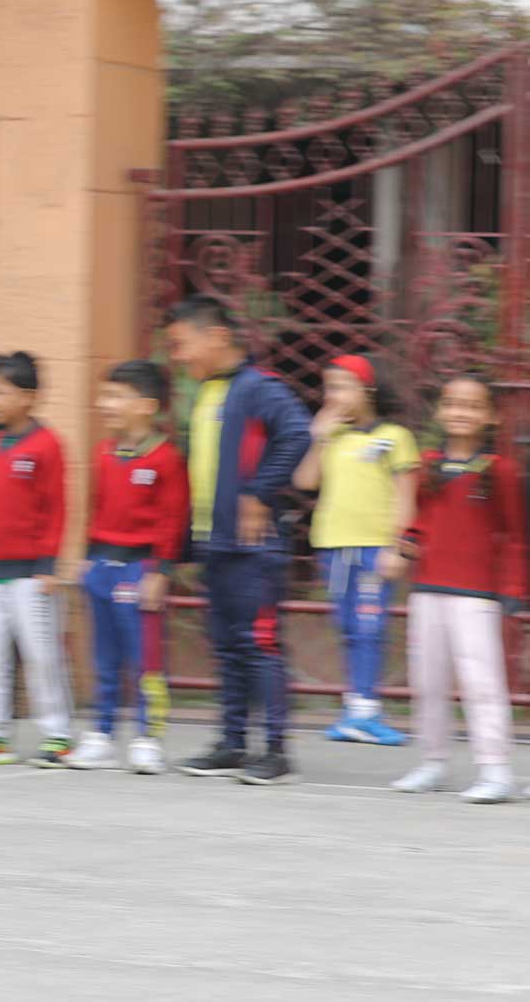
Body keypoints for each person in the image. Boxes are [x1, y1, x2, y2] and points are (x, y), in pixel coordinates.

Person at [162, 295, 311, 785]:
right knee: (226, 646)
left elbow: (297, 434)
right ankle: (232, 742)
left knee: (259, 644)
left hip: (254, 546)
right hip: (216, 543)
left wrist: (259, 492)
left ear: (218, 336)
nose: (178, 356)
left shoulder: (258, 388)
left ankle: (276, 750)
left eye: (181, 344)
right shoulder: (207, 392)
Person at [389, 375, 523, 803]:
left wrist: (513, 588)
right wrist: (406, 543)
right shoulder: (428, 465)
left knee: (481, 681)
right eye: (452, 404)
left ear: (490, 416)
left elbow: (515, 535)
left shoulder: (499, 470)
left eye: (472, 405)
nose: (460, 412)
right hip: (428, 587)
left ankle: (495, 769)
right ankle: (432, 761)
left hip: (477, 595)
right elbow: (421, 520)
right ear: (440, 411)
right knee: (427, 680)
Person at [0, 351, 75, 767]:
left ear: (28, 397)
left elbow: (56, 509)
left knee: (41, 656)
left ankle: (57, 735)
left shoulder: (47, 444)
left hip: (30, 575)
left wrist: (48, 566)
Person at [69, 360, 188, 775]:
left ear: (146, 405)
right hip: (102, 565)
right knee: (103, 657)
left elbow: (172, 520)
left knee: (145, 660)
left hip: (140, 569)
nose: (105, 404)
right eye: (105, 396)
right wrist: (87, 557)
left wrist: (160, 571)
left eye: (116, 396)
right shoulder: (104, 453)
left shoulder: (166, 458)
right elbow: (96, 508)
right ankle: (101, 735)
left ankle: (147, 738)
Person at [294, 353, 417, 746]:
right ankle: (354, 711)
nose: (334, 395)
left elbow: (406, 497)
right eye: (329, 388)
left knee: (370, 626)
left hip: (374, 548)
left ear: (368, 389)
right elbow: (305, 481)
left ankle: (367, 712)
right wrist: (319, 438)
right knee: (347, 626)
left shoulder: (394, 436)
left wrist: (399, 546)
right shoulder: (333, 437)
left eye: (343, 386)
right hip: (333, 546)